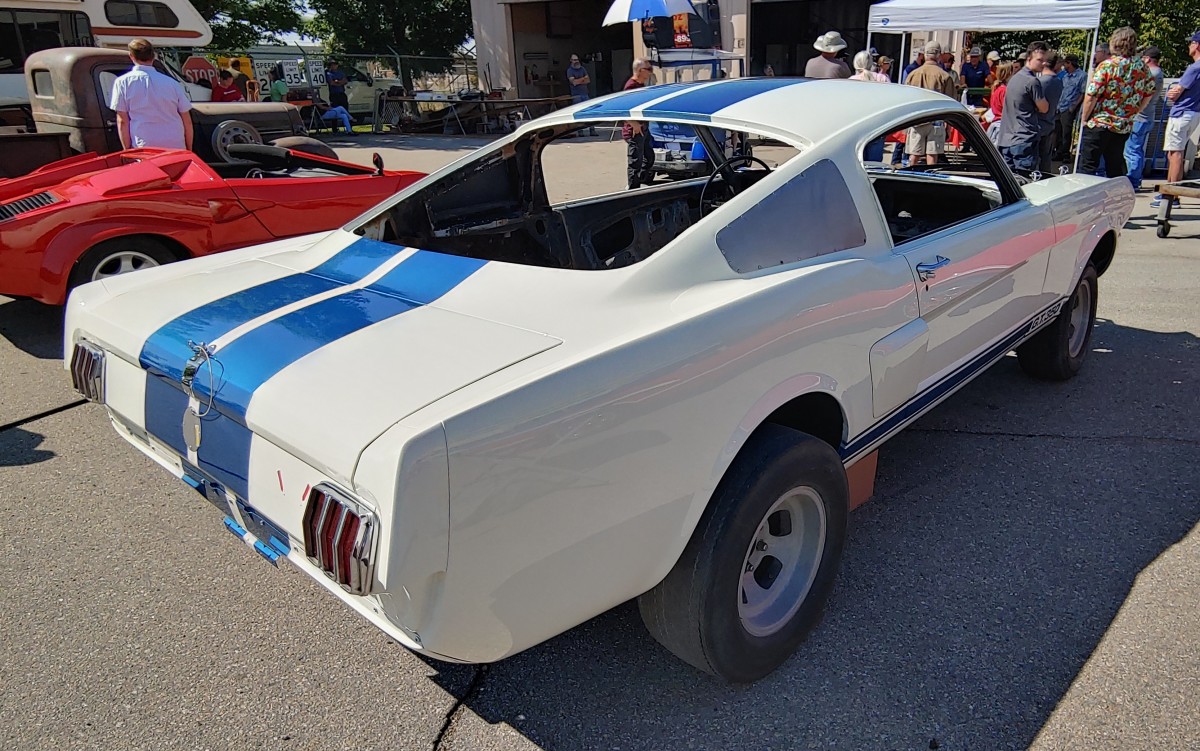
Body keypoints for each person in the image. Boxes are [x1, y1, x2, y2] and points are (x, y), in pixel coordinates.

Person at [1078, 27, 1156, 178]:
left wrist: (1084, 119)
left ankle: (1083, 199)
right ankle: (1117, 198)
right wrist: (1135, 110)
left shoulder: (1108, 65)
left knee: (1087, 167)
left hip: (1100, 122)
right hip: (1123, 125)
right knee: (1115, 166)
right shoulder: (1142, 67)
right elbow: (1149, 92)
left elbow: (1092, 95)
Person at [108, 38, 192, 151]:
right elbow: (186, 119)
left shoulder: (122, 82)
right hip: (175, 143)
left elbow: (122, 120)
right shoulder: (172, 83)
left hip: (145, 144)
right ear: (153, 56)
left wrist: (127, 149)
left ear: (131, 56)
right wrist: (189, 147)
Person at [1153, 31, 1200, 208]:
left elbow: (1175, 92)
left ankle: (1170, 196)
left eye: (1191, 43)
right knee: (1176, 152)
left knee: (1174, 154)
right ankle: (1174, 194)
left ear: (1197, 45)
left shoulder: (1194, 68)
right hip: (1194, 113)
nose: (1189, 46)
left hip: (1181, 114)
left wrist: (1175, 92)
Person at [998, 42, 1050, 174]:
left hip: (1006, 139)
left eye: (1045, 61)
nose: (1043, 63)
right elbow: (1044, 108)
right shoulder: (1032, 81)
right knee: (1025, 183)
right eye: (1039, 60)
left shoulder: (1013, 79)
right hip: (1024, 139)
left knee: (1010, 183)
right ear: (1029, 58)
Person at [904, 41, 958, 166]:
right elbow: (949, 103)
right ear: (938, 55)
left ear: (925, 54)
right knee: (932, 156)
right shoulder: (945, 76)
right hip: (936, 121)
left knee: (914, 155)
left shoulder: (913, 75)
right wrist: (948, 126)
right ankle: (930, 182)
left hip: (916, 120)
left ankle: (908, 179)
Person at [1124, 46, 1164, 191]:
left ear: (1147, 59)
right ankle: (1135, 181)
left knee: (1132, 150)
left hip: (1140, 118)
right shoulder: (1158, 73)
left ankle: (1133, 182)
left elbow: (1139, 94)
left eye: (1142, 58)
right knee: (1137, 149)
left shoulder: (1151, 74)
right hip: (1147, 117)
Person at [623, 59, 655, 189]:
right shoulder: (631, 86)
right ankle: (632, 188)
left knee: (649, 157)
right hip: (635, 130)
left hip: (644, 127)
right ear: (640, 71)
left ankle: (640, 181)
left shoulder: (640, 85)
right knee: (635, 161)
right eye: (649, 69)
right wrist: (634, 124)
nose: (650, 73)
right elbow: (623, 108)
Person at [1036, 50, 1064, 172]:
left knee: (1036, 162)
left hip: (1037, 125)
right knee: (1045, 160)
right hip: (1049, 122)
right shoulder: (1058, 81)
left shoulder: (1041, 83)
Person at [1055, 54, 1086, 159]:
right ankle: (1058, 152)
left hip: (1069, 107)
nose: (1064, 66)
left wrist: (1074, 106)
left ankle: (1065, 154)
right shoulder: (1065, 76)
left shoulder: (1082, 76)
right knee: (1058, 131)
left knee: (1066, 132)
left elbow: (1082, 93)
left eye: (1065, 63)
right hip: (1060, 106)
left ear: (1070, 63)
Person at [565, 54, 596, 136]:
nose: (576, 61)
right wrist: (583, 79)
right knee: (578, 114)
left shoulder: (582, 69)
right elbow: (573, 82)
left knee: (590, 112)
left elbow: (588, 80)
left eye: (577, 60)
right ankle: (580, 132)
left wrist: (579, 80)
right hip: (576, 96)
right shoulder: (569, 71)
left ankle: (592, 130)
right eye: (574, 60)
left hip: (585, 94)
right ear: (571, 61)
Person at [986, 61, 1014, 144]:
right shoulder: (1004, 90)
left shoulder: (996, 89)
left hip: (996, 124)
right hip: (1002, 126)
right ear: (1009, 73)